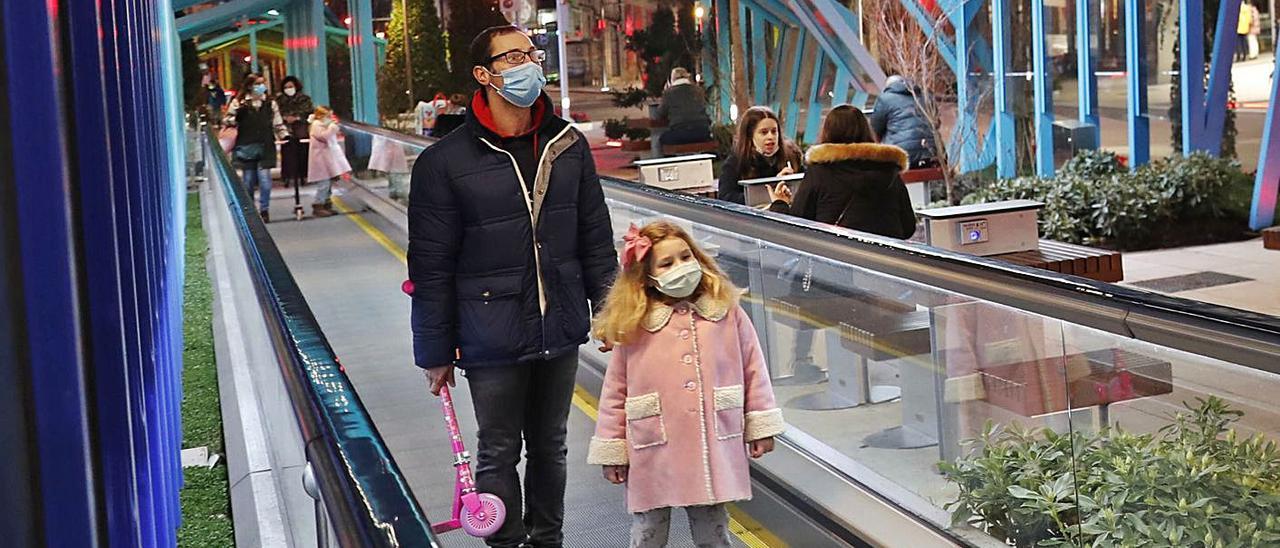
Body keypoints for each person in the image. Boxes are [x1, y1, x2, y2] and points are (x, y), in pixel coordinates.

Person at [409, 25, 618, 548]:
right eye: (514, 56)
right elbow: (431, 264)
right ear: (484, 75)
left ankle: (549, 540)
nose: (529, 63)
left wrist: (613, 312)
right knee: (498, 449)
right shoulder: (444, 162)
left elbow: (595, 236)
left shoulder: (567, 144)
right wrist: (434, 351)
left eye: (531, 53)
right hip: (489, 329)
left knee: (552, 446)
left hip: (560, 320)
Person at [587, 221, 784, 548]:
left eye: (685, 257)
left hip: (712, 441)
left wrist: (760, 424)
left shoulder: (725, 312)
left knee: (713, 527)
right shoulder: (634, 324)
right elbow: (614, 392)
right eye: (666, 263)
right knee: (648, 530)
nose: (680, 267)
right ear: (647, 276)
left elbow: (754, 368)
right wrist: (612, 447)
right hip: (653, 445)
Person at [768, 105, 917, 239]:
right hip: (887, 263)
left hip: (839, 263)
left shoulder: (820, 171)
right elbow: (908, 228)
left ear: (828, 133)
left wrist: (780, 204)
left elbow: (797, 228)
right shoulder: (889, 170)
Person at [224, 73, 287, 222]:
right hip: (247, 144)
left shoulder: (270, 103)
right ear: (250, 86)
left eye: (262, 83)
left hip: (266, 144)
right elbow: (227, 120)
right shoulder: (239, 103)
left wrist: (284, 134)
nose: (261, 87)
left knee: (265, 180)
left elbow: (277, 122)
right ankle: (250, 210)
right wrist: (238, 116)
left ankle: (264, 210)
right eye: (258, 84)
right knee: (248, 180)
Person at [716, 106, 804, 205]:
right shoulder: (736, 161)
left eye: (774, 131)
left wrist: (793, 183)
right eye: (764, 132)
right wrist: (773, 188)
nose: (770, 137)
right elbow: (725, 198)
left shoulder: (792, 155)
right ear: (750, 136)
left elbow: (807, 188)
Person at [869, 75, 937, 168]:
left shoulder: (885, 99)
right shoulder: (927, 96)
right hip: (931, 151)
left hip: (900, 153)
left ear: (888, 86)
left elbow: (875, 128)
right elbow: (936, 123)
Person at [307, 107, 351, 218]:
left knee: (328, 183)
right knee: (323, 184)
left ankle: (326, 203)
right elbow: (324, 136)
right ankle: (319, 205)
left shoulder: (322, 125)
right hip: (320, 159)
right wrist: (332, 127)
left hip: (326, 158)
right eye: (328, 116)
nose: (330, 119)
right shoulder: (316, 125)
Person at [655, 67, 713, 146]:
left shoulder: (668, 93)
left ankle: (672, 158)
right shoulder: (698, 90)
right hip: (702, 132)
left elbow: (659, 114)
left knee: (662, 139)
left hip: (680, 132)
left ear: (672, 79)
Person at [276, 76, 315, 190]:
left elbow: (309, 112)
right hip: (286, 130)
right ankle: (288, 176)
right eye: (286, 87)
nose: (288, 89)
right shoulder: (279, 100)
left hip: (300, 130)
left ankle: (303, 175)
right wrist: (285, 118)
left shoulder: (304, 99)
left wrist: (297, 117)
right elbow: (276, 113)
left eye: (291, 86)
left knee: (302, 153)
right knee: (287, 153)